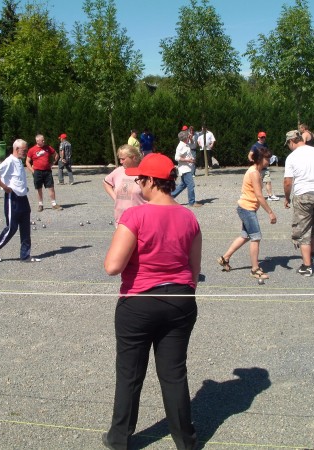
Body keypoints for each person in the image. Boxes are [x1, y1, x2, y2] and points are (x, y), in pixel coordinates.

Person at [102, 153, 202, 450]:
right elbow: (193, 271)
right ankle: (186, 441)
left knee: (130, 373)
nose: (137, 183)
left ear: (150, 181)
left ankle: (119, 438)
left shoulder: (135, 215)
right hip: (180, 300)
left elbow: (112, 266)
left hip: (139, 303)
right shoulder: (189, 217)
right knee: (174, 373)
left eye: (139, 179)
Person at [218, 144, 277, 279]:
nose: (269, 162)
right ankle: (255, 269)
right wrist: (270, 212)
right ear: (260, 159)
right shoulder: (254, 173)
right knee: (256, 237)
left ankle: (225, 258)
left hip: (246, 208)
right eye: (267, 159)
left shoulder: (255, 170)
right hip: (247, 209)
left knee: (245, 236)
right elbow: (259, 196)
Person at [283, 130, 314, 277]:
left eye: (288, 144)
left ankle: (307, 266)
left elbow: (287, 182)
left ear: (292, 141)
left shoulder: (292, 157)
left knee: (303, 229)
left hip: (303, 194)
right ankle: (312, 254)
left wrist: (287, 197)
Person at [0, 139, 41, 263]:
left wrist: (24, 188)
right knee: (12, 227)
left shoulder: (19, 161)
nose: (26, 152)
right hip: (13, 199)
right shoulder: (9, 161)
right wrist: (5, 187)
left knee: (25, 228)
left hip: (24, 199)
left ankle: (25, 256)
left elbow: (17, 179)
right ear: (17, 149)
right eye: (24, 150)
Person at [103, 144, 146, 225]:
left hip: (140, 220)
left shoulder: (144, 173)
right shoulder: (118, 171)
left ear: (133, 157)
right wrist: (115, 198)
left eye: (123, 159)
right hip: (121, 219)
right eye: (120, 159)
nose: (121, 162)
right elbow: (106, 183)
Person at [25, 134, 62, 212]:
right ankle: (40, 204)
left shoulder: (48, 148)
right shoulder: (32, 150)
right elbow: (27, 162)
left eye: (44, 139)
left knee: (51, 187)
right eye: (42, 140)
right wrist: (32, 171)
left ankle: (54, 204)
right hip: (37, 172)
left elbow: (56, 155)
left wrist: (52, 163)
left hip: (47, 171)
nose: (44, 141)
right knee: (39, 188)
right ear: (37, 141)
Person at [171, 130, 202, 207]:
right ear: (185, 137)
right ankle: (192, 202)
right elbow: (176, 158)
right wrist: (187, 160)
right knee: (191, 184)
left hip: (188, 168)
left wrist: (191, 159)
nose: (189, 136)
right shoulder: (180, 146)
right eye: (187, 136)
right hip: (184, 169)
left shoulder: (186, 144)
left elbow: (191, 146)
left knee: (183, 185)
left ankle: (170, 196)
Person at [248, 131, 279, 201]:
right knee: (258, 182)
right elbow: (250, 155)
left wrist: (272, 157)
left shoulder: (265, 145)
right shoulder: (255, 146)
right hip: (258, 168)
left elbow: (267, 154)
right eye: (261, 137)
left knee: (268, 181)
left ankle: (270, 195)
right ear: (258, 138)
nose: (263, 138)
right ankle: (254, 195)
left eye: (264, 137)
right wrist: (252, 161)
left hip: (265, 167)